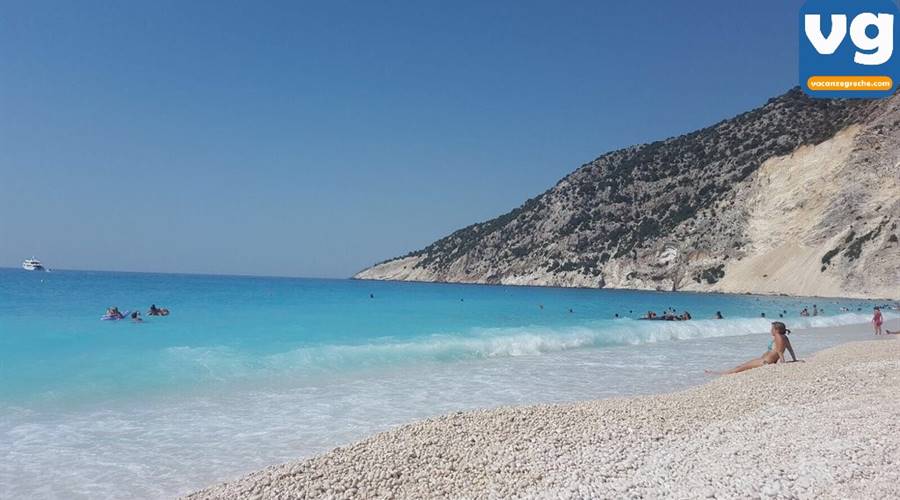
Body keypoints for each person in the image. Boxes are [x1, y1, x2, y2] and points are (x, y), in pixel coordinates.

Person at [707, 322, 794, 375]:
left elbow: (779, 350)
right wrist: (794, 359)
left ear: (776, 330)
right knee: (741, 367)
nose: (770, 330)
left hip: (765, 362)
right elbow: (790, 349)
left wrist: (783, 362)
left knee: (740, 368)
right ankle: (721, 373)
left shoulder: (778, 336)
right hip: (766, 361)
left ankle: (719, 373)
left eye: (772, 329)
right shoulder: (784, 337)